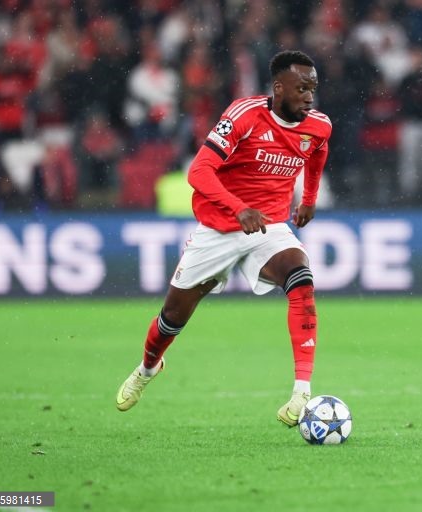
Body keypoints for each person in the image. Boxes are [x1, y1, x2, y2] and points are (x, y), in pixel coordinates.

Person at [115, 50, 332, 427]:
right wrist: (237, 208)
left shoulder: (318, 125)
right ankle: (147, 369)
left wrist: (309, 200)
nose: (309, 97)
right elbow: (199, 171)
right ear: (278, 87)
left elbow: (317, 155)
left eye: (312, 88)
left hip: (269, 227)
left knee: (302, 278)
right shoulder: (245, 115)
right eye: (301, 88)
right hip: (219, 228)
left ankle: (301, 392)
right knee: (172, 318)